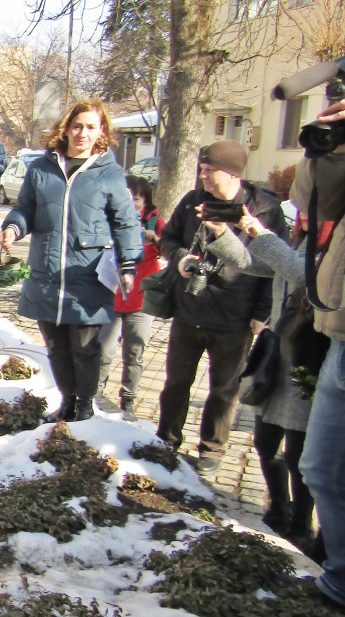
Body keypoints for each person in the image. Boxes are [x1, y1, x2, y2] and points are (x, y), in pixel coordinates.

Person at [0, 99, 142, 422]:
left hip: (87, 275)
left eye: (92, 127)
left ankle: (86, 404)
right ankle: (67, 402)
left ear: (102, 131)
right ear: (66, 128)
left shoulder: (109, 174)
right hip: (47, 273)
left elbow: (126, 222)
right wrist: (13, 227)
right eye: (78, 126)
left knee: (85, 349)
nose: (83, 133)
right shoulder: (42, 169)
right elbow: (26, 208)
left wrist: (129, 263)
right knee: (57, 349)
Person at [155, 139, 287, 472]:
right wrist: (181, 258)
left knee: (224, 389)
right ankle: (165, 440)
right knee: (175, 382)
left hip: (235, 315)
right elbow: (169, 238)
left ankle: (212, 449)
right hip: (189, 308)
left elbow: (276, 267)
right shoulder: (192, 202)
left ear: (232, 173)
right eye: (201, 169)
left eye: (209, 170)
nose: (203, 176)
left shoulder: (265, 209)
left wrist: (262, 314)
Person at [200, 191, 317, 550]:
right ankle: (278, 508)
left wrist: (255, 227)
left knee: (298, 451)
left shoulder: (331, 244)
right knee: (264, 441)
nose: (299, 213)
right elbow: (257, 263)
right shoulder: (301, 237)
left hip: (309, 353)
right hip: (279, 350)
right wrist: (223, 234)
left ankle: (301, 523)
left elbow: (301, 275)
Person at [292, 99, 345, 617]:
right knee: (322, 469)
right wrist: (326, 141)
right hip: (340, 332)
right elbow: (312, 199)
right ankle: (338, 583)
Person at [97, 175, 167, 420]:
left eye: (136, 199)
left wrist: (155, 239)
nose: (132, 203)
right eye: (127, 197)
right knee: (104, 350)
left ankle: (128, 399)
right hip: (111, 297)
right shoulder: (108, 221)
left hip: (140, 300)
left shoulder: (155, 223)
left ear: (146, 201)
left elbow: (171, 248)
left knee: (134, 351)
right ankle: (96, 395)